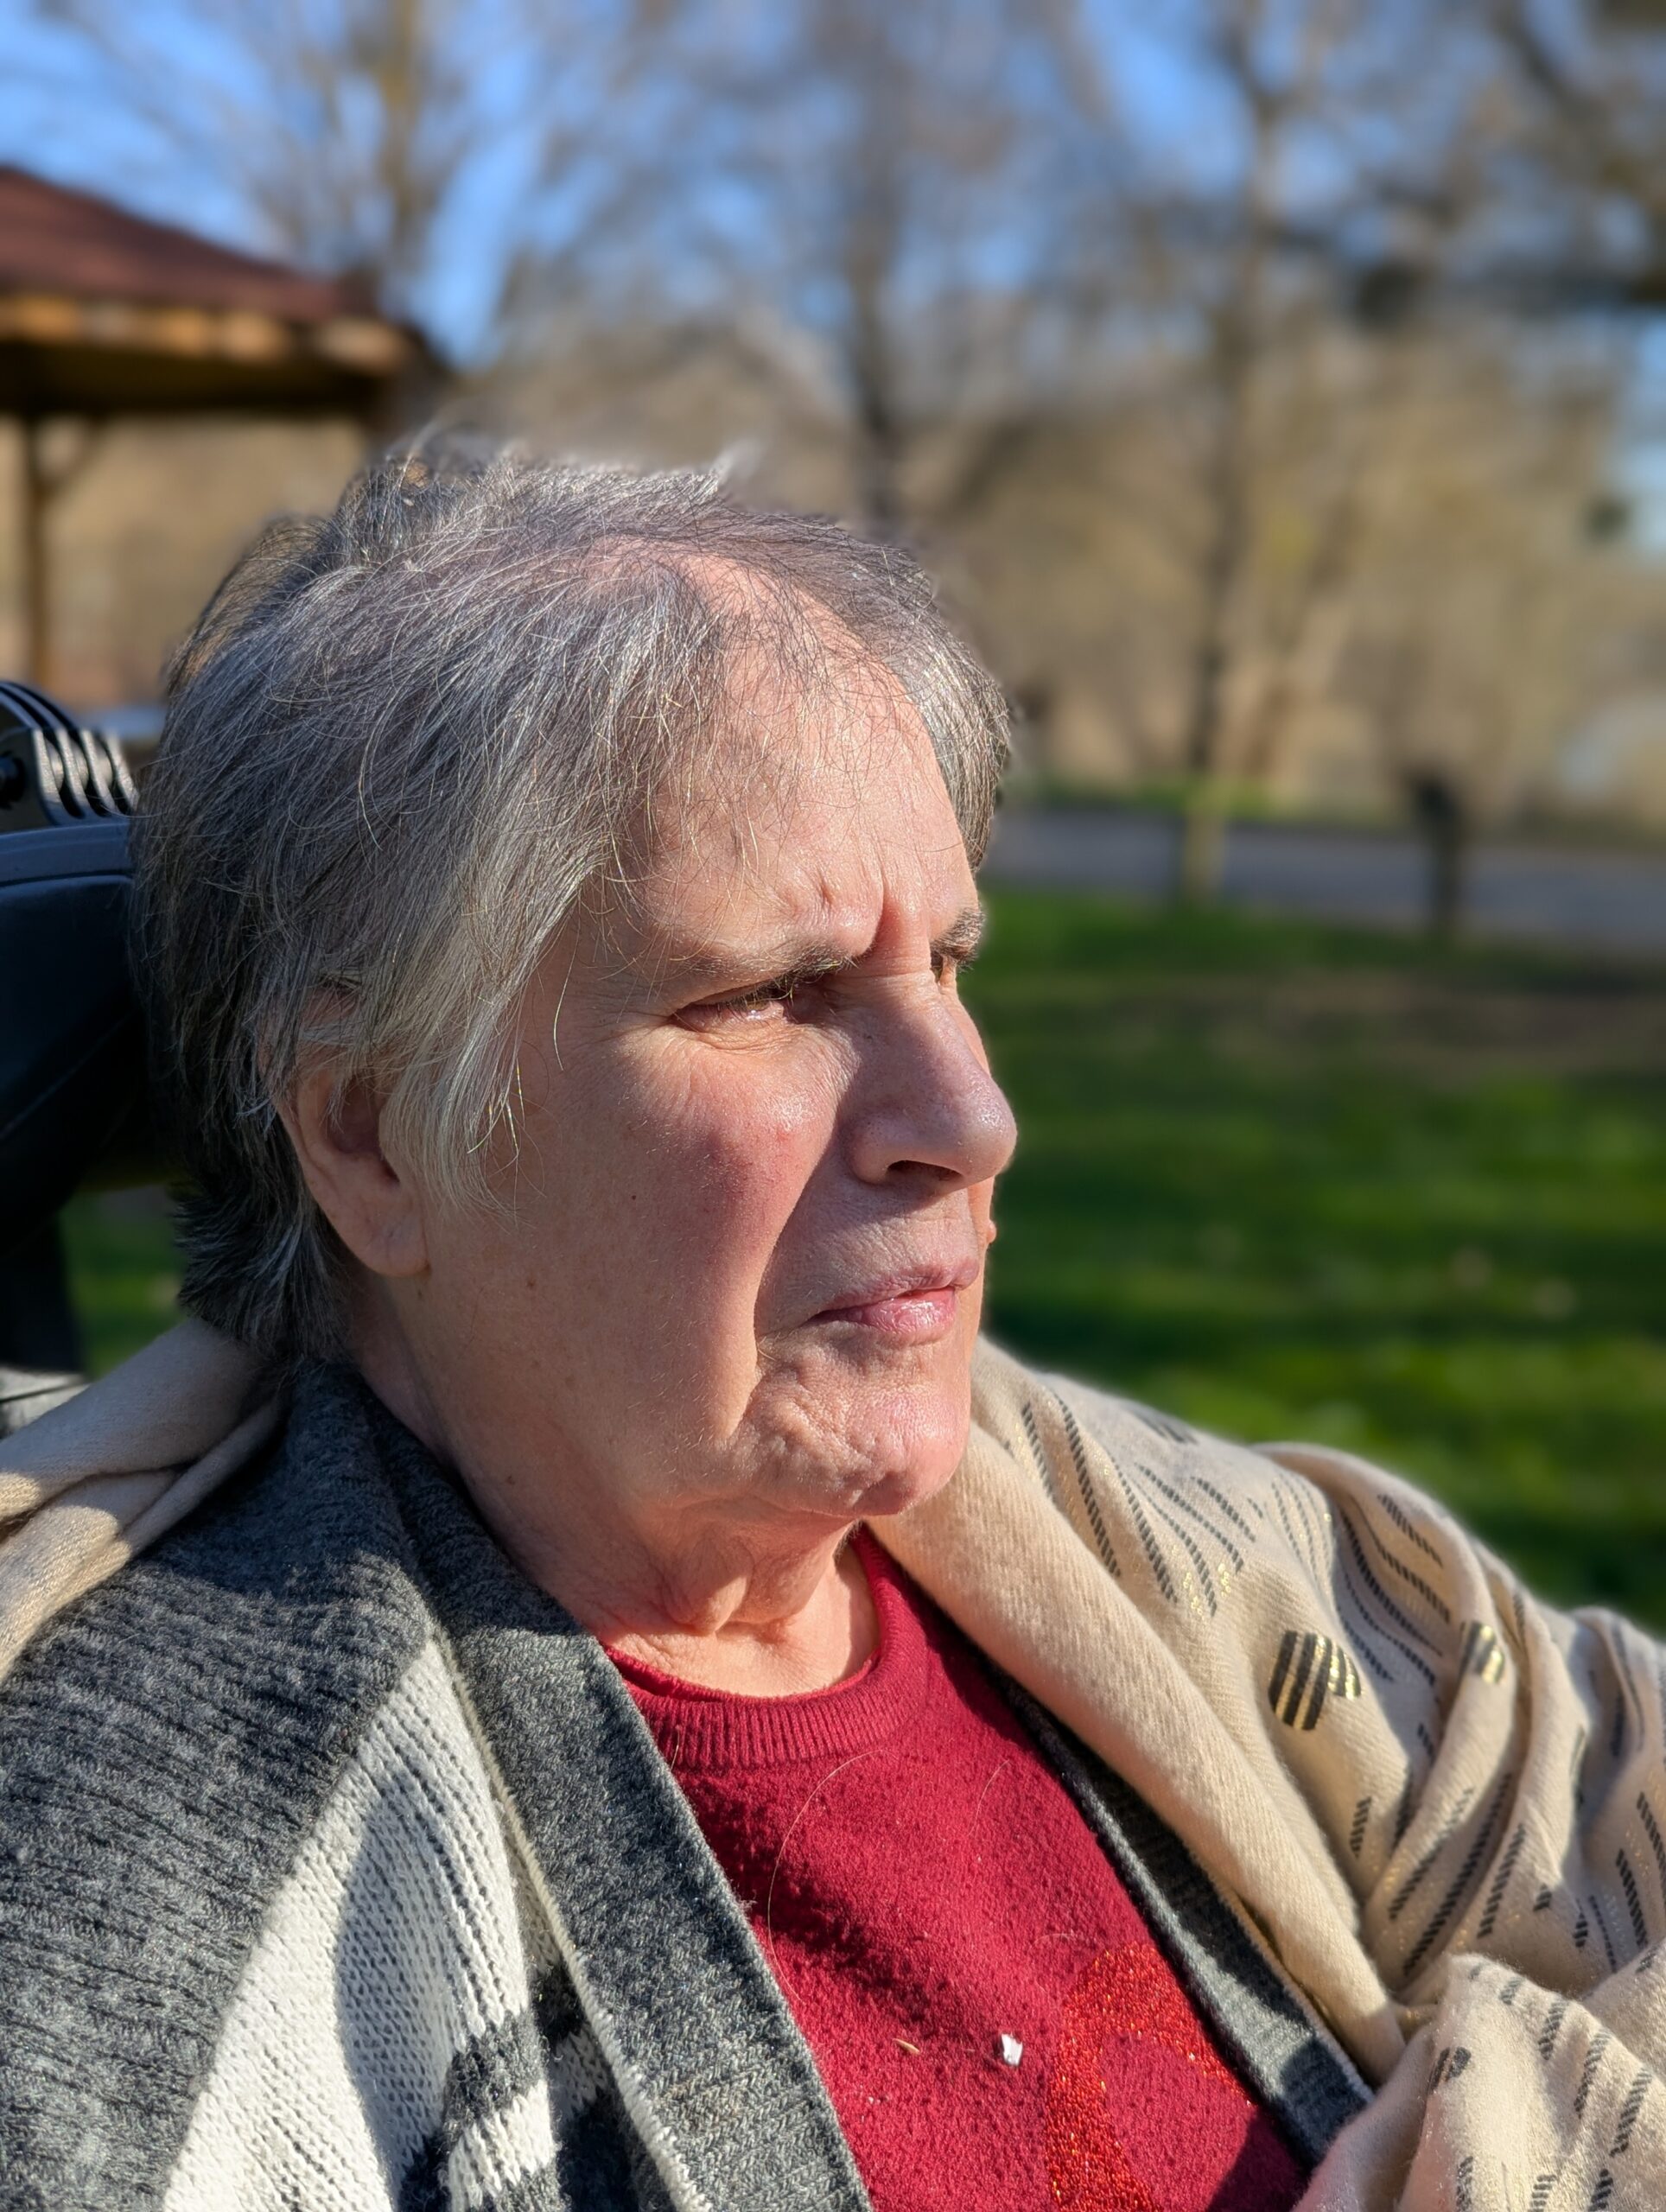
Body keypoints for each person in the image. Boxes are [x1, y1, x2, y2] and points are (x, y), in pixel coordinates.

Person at [1, 441, 1663, 2212]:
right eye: (775, 992)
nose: (973, 1116)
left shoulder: (1148, 1546)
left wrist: (1511, 2144)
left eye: (947, 963)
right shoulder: (149, 1914)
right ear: (370, 1133)